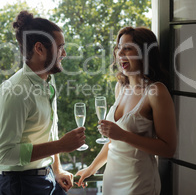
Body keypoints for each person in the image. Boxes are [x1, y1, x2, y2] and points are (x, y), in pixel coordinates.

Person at [0, 11, 86, 195]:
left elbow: (49, 132)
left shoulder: (48, 83)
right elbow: (4, 154)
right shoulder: (14, 91)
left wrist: (57, 170)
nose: (64, 54)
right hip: (17, 186)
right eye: (60, 47)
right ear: (40, 49)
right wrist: (61, 145)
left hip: (46, 177)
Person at [76, 26, 177, 195]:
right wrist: (92, 168)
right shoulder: (121, 88)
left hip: (138, 183)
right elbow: (113, 143)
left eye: (127, 49)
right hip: (112, 179)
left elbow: (168, 148)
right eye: (118, 48)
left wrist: (122, 134)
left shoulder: (156, 91)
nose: (120, 54)